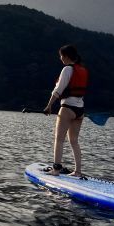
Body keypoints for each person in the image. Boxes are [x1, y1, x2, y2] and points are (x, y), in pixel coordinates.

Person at [43, 45, 88, 177]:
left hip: (68, 108)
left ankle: (56, 170)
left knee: (59, 139)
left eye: (61, 55)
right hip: (80, 110)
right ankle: (78, 171)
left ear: (67, 56)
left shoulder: (67, 69)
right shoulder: (82, 70)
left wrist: (49, 106)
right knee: (74, 141)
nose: (60, 58)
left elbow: (58, 90)